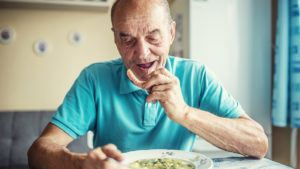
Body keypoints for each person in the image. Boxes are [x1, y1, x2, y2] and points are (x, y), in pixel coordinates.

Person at [27, 0, 268, 168]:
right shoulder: (93, 79)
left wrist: (185, 113)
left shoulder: (197, 75)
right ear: (115, 39)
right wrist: (82, 164)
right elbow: (38, 152)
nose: (142, 54)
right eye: (128, 39)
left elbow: (258, 144)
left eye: (153, 37)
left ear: (171, 33)